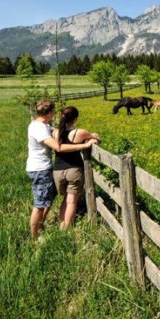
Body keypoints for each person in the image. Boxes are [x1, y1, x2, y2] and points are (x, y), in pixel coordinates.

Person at [27, 100, 96, 240]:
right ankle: (35, 237)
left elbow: (55, 132)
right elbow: (58, 147)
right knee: (41, 204)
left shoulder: (45, 126)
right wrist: (84, 145)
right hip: (40, 169)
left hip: (50, 169)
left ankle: (40, 227)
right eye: (53, 112)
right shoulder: (39, 128)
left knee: (48, 198)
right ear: (49, 112)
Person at [53, 106, 101, 230]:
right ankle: (66, 229)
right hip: (74, 170)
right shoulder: (79, 132)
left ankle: (61, 224)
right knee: (71, 201)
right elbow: (96, 139)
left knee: (65, 198)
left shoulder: (55, 132)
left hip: (57, 171)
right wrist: (93, 136)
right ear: (75, 118)